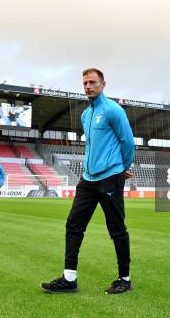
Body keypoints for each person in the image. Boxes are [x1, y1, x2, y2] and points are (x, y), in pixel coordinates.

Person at [42, 68, 135, 294]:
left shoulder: (113, 110)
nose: (87, 86)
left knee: (116, 229)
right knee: (73, 225)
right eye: (84, 83)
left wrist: (121, 169)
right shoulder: (85, 115)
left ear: (103, 84)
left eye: (92, 82)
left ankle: (125, 278)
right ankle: (69, 278)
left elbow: (128, 142)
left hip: (110, 177)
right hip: (87, 179)